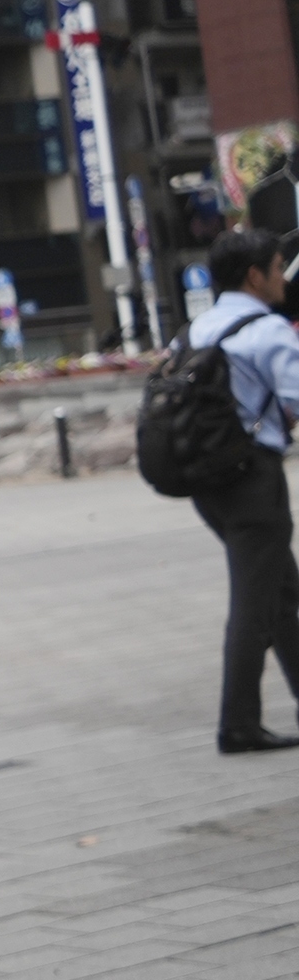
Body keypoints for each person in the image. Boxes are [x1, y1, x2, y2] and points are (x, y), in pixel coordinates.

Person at [179, 226, 299, 752]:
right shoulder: (267, 330)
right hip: (254, 480)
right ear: (255, 276)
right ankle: (238, 724)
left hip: (208, 483)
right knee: (255, 604)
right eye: (277, 268)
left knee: (283, 592)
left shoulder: (194, 329)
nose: (282, 278)